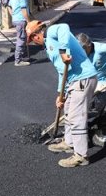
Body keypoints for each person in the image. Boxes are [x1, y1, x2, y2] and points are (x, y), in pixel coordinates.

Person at [27, 21, 98, 168]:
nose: (33, 42)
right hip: (73, 81)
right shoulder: (49, 47)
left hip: (83, 79)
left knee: (76, 117)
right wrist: (60, 94)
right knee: (67, 111)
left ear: (36, 35)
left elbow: (64, 26)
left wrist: (64, 51)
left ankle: (80, 156)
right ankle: (69, 142)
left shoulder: (52, 32)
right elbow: (62, 72)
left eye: (32, 39)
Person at [9, 0, 31, 66]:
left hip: (15, 20)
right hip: (21, 20)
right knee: (21, 40)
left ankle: (21, 57)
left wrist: (13, 15)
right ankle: (18, 60)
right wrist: (29, 22)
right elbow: (23, 10)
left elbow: (9, 6)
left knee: (22, 38)